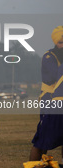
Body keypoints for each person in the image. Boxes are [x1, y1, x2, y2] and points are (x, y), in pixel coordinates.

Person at [30, 26, 63, 161]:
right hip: (49, 99)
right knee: (43, 137)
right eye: (60, 42)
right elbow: (53, 77)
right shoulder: (49, 56)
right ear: (55, 43)